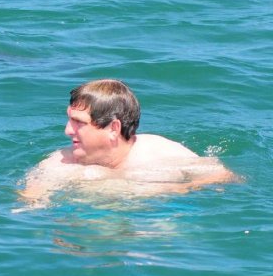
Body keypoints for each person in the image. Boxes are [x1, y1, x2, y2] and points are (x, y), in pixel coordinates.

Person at [20, 79, 236, 205]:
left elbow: (225, 178)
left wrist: (181, 189)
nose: (67, 130)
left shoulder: (162, 153)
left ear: (113, 128)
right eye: (69, 120)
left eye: (79, 123)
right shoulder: (60, 164)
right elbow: (29, 206)